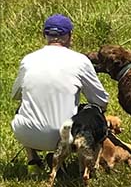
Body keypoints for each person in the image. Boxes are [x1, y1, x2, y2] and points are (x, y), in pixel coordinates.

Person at [10, 14, 109, 169]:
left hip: (26, 134)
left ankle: (32, 158)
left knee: (21, 108)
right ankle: (89, 164)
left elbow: (15, 95)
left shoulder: (28, 60)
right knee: (93, 113)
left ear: (45, 35)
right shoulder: (80, 61)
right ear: (70, 36)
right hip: (65, 136)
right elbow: (100, 101)